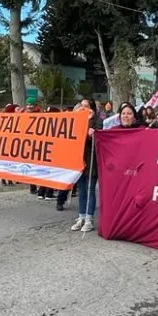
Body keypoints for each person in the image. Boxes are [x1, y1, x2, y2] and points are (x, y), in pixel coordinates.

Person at [69, 97, 100, 233]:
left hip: (91, 160)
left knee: (90, 190)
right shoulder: (77, 120)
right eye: (81, 105)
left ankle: (89, 218)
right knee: (81, 191)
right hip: (79, 161)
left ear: (92, 109)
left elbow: (92, 137)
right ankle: (81, 216)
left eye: (86, 106)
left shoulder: (98, 122)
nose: (83, 108)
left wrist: (89, 121)